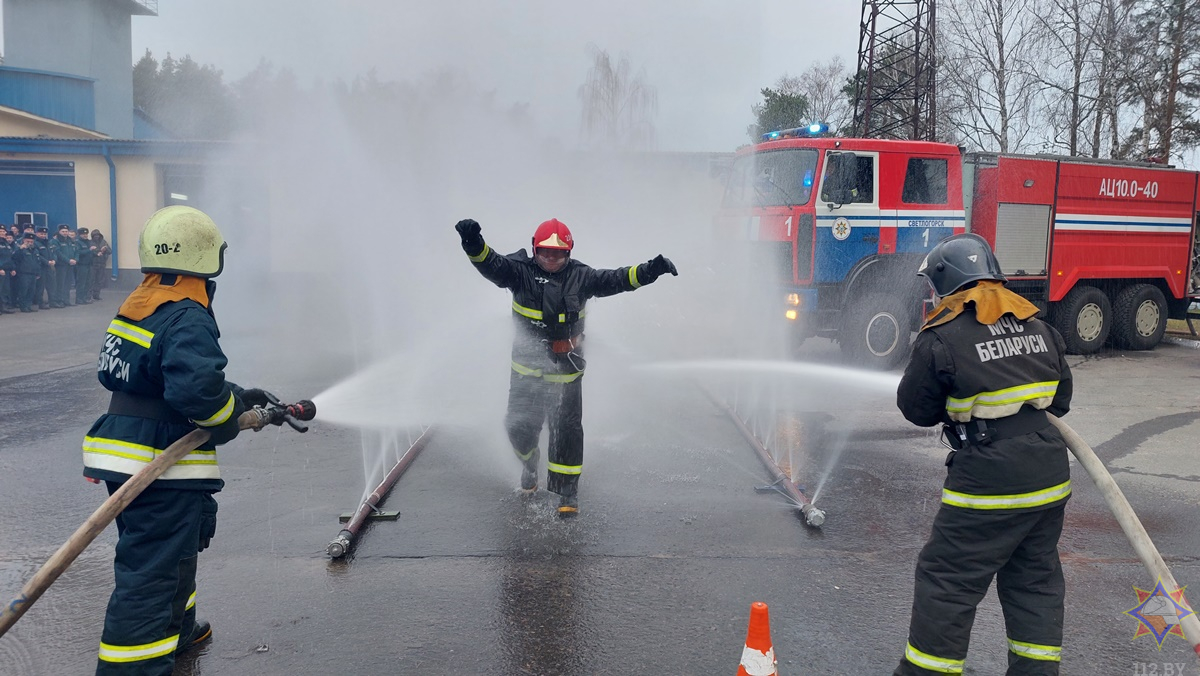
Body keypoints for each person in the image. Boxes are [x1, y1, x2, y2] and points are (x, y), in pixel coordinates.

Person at [84, 205, 275, 676]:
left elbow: (151, 376)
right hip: (158, 463)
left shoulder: (142, 302)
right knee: (151, 572)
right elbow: (195, 394)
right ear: (205, 261)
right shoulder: (188, 314)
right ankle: (133, 669)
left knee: (175, 554)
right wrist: (228, 413)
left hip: (129, 453)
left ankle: (176, 630)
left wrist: (233, 394)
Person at [893, 233, 1073, 676]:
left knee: (948, 581)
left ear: (945, 282)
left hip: (989, 478)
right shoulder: (1038, 326)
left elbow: (916, 409)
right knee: (1034, 582)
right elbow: (1061, 400)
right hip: (1050, 474)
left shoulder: (942, 335)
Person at [456, 217, 678, 515]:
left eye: (558, 253)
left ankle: (567, 494)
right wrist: (472, 242)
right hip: (526, 371)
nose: (551, 258)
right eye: (545, 252)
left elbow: (618, 279)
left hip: (566, 369)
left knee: (567, 430)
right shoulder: (518, 272)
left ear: (568, 253)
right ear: (535, 250)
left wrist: (652, 269)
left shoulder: (582, 277)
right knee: (518, 427)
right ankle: (529, 464)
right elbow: (490, 264)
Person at [13, 233, 40, 312]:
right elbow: (14, 258)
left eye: (31, 242)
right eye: (28, 241)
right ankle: (23, 306)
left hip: (33, 273)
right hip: (23, 273)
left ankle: (28, 305)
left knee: (31, 291)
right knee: (23, 291)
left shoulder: (35, 250)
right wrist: (20, 249)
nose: (30, 243)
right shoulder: (19, 249)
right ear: (23, 241)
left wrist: (38, 272)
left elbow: (38, 262)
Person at [33, 225, 53, 309]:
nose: (43, 235)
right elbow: (38, 255)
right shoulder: (35, 243)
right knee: (40, 287)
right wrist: (47, 262)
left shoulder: (47, 242)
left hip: (49, 267)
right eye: (41, 233)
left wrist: (53, 260)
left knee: (50, 285)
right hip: (41, 267)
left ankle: (52, 301)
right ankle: (40, 303)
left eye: (44, 234)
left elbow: (52, 253)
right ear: (36, 233)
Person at [75, 227, 95, 305]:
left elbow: (90, 253)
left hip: (89, 264)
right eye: (83, 234)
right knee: (81, 282)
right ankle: (79, 299)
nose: (85, 235)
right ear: (79, 234)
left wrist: (97, 254)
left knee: (88, 282)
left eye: (86, 234)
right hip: (81, 265)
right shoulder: (78, 242)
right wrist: (89, 250)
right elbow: (79, 252)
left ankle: (85, 298)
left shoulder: (88, 242)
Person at [92, 230, 112, 300]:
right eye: (95, 235)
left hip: (102, 263)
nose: (96, 237)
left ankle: (97, 295)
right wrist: (98, 251)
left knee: (99, 280)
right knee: (92, 280)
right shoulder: (90, 242)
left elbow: (110, 251)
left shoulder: (104, 242)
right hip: (93, 264)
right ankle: (91, 295)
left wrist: (105, 249)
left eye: (97, 235)